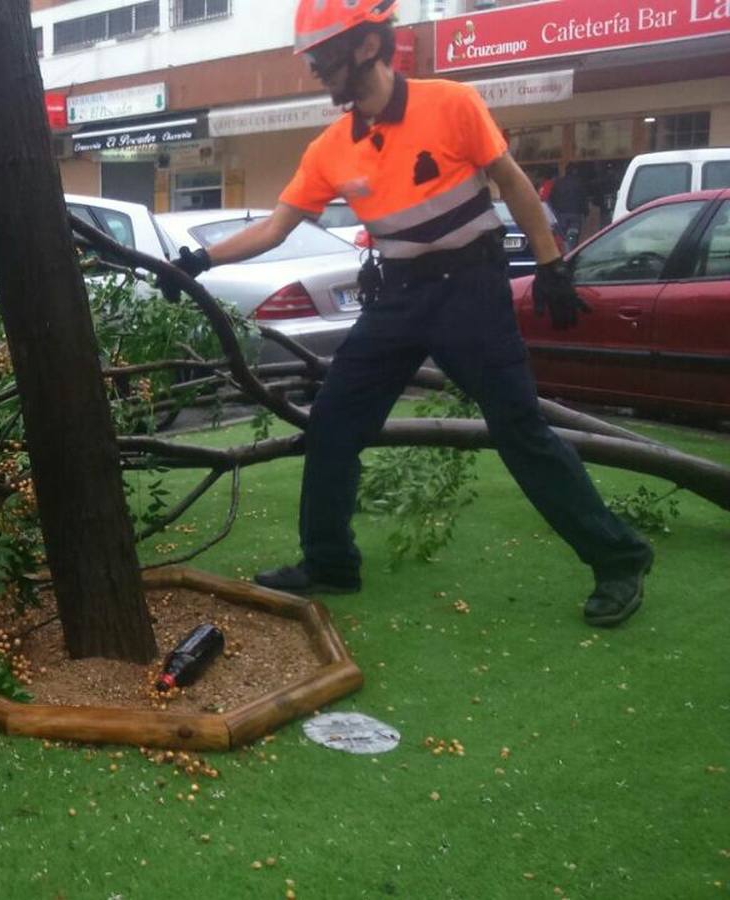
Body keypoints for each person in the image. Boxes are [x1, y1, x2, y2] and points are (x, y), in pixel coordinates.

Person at [170, 0, 652, 627]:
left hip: (470, 293)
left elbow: (511, 182)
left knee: (519, 430)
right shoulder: (330, 148)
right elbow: (276, 226)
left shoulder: (450, 104)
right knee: (333, 424)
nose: (314, 69)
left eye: (321, 56)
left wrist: (551, 264)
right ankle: (331, 563)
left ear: (366, 48)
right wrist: (198, 259)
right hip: (396, 299)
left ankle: (619, 558)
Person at [548, 164, 590, 247]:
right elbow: (583, 198)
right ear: (575, 172)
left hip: (562, 214)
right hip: (575, 214)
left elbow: (551, 198)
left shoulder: (558, 183)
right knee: (574, 234)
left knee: (563, 236)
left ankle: (565, 251)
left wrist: (556, 210)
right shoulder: (579, 183)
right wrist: (586, 212)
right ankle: (572, 251)